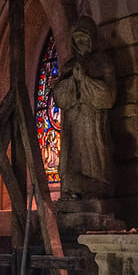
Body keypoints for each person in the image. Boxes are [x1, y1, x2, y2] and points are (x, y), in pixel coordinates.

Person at [49, 16, 116, 200]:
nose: (81, 43)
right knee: (72, 161)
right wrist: (73, 82)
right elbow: (59, 97)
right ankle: (72, 190)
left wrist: (85, 80)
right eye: (77, 40)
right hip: (72, 123)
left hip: (93, 123)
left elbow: (109, 97)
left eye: (84, 38)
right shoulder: (69, 66)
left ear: (91, 38)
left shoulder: (103, 63)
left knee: (94, 158)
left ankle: (97, 188)